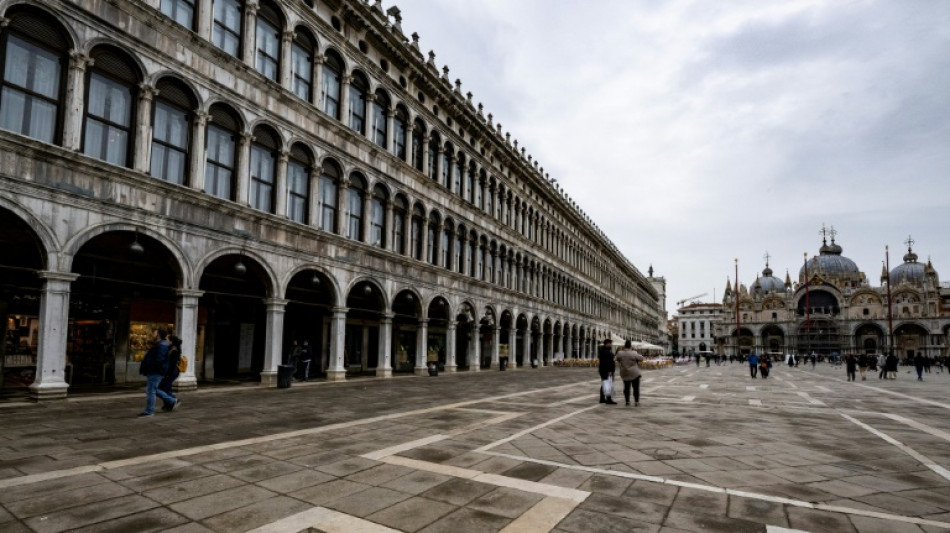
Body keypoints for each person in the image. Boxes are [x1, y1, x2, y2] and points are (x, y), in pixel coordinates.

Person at [139, 327, 178, 417]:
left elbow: (159, 360)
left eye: (155, 333)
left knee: (151, 391)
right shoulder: (159, 344)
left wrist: (151, 367)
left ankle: (150, 411)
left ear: (159, 334)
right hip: (154, 370)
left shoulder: (162, 345)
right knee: (153, 390)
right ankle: (172, 401)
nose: (153, 334)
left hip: (155, 371)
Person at [615, 340, 646, 406]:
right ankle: (636, 402)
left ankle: (627, 401)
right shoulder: (634, 353)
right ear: (630, 346)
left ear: (624, 345)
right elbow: (642, 358)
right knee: (636, 388)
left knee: (626, 387)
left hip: (625, 372)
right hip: (634, 373)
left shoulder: (620, 353)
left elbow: (616, 359)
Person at [159, 335, 183, 411]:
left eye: (167, 340)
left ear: (171, 341)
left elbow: (172, 363)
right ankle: (169, 405)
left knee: (163, 388)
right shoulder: (172, 348)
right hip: (172, 371)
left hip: (172, 372)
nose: (166, 341)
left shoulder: (174, 349)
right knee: (166, 388)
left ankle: (173, 400)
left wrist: (167, 374)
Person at [598, 339, 617, 405]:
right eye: (610, 343)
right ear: (607, 344)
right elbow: (607, 362)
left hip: (603, 370)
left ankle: (602, 398)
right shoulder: (606, 352)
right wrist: (609, 371)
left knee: (605, 383)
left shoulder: (604, 351)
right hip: (606, 371)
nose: (611, 345)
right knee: (608, 384)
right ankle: (608, 399)